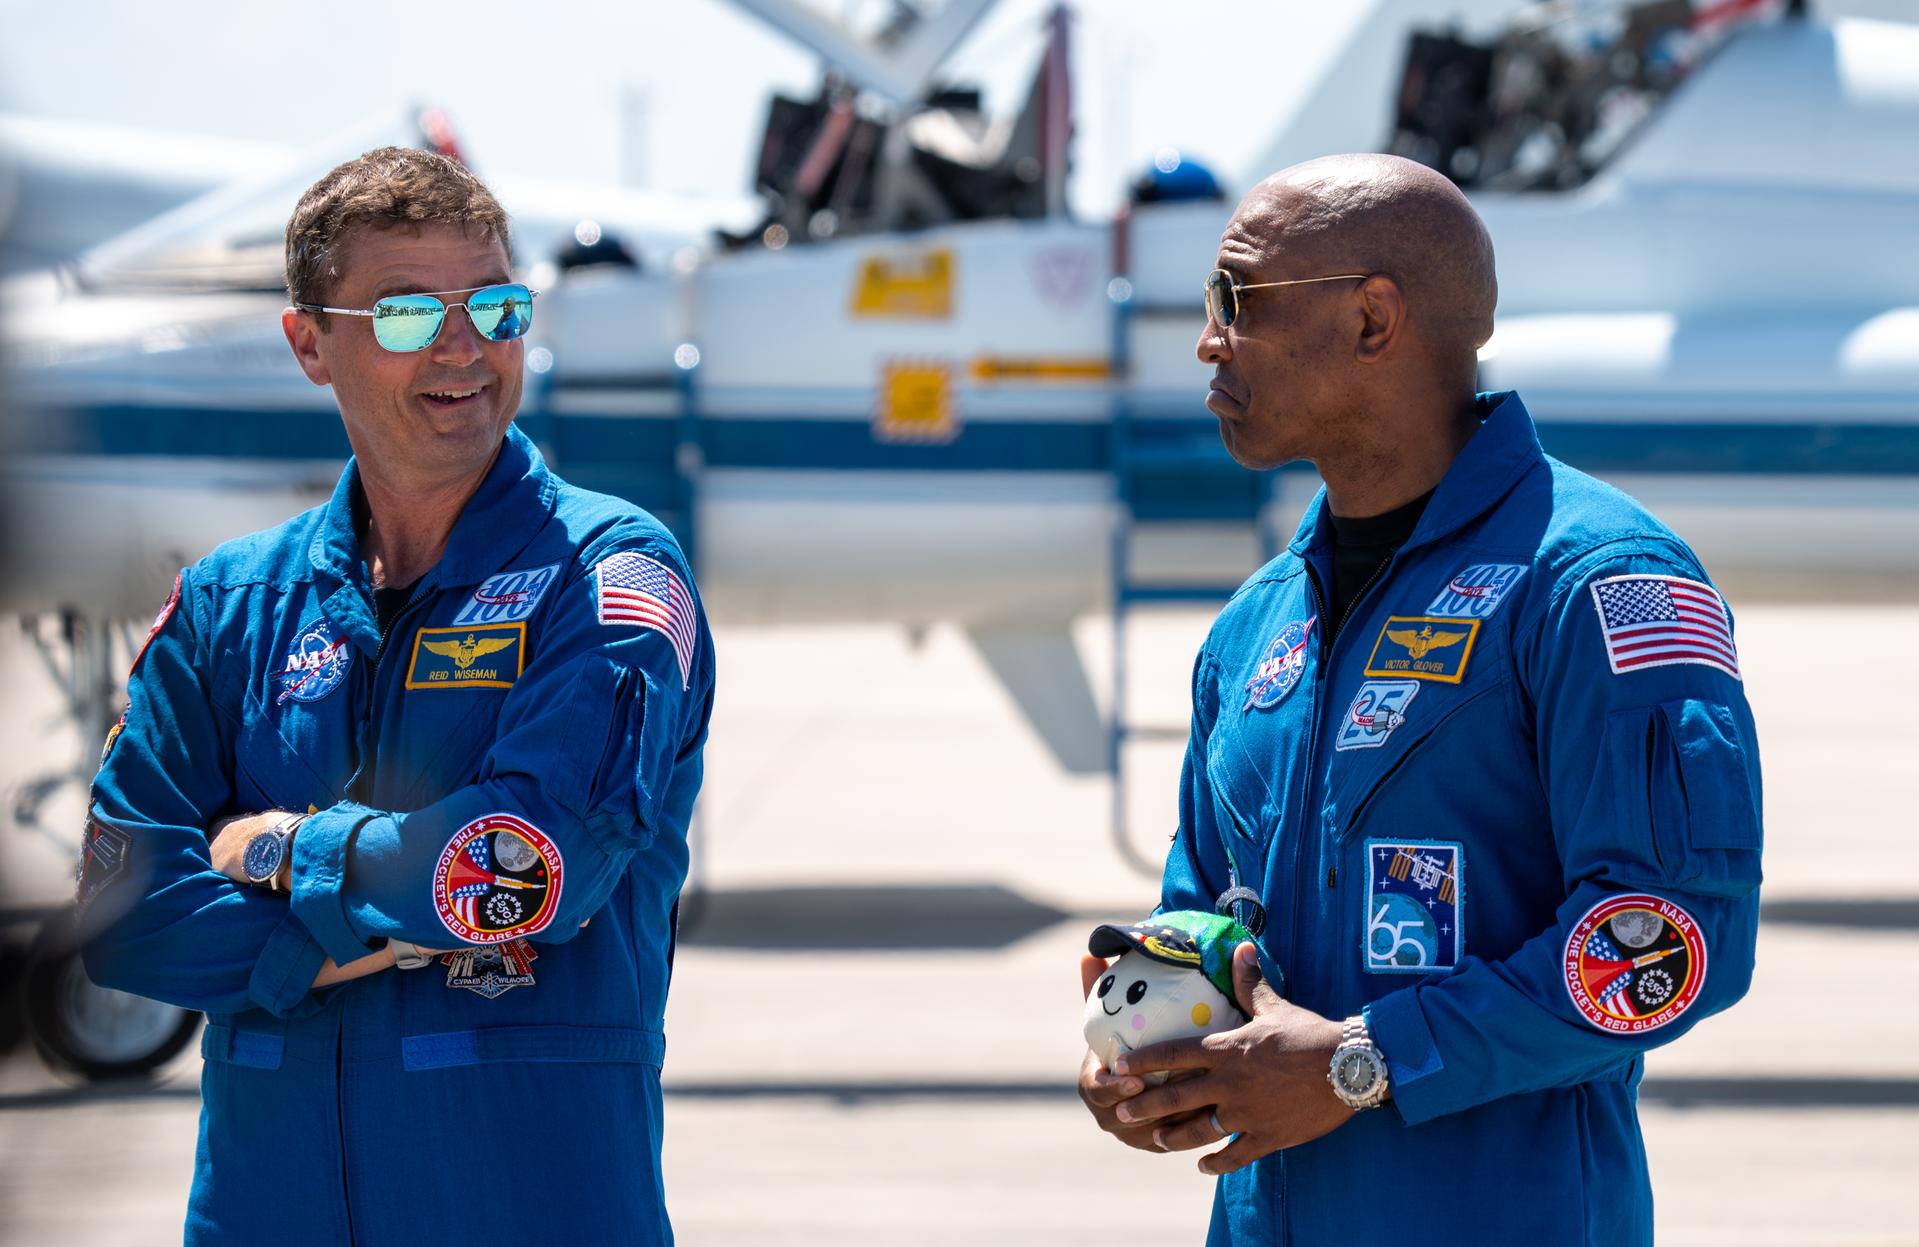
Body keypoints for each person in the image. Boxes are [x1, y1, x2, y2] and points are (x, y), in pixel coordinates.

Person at [1076, 153, 1761, 1246]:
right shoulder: (1253, 626)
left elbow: (1674, 939)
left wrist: (1366, 1062)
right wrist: (1147, 1034)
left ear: (1372, 318)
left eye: (1236, 298)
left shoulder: (1597, 582)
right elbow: (1203, 908)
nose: (1207, 340)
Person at [78, 146, 713, 1245]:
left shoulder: (610, 574)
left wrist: (281, 851)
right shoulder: (231, 602)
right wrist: (367, 935)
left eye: (496, 307)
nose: (464, 346)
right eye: (409, 312)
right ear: (308, 344)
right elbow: (122, 919)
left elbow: (528, 866)